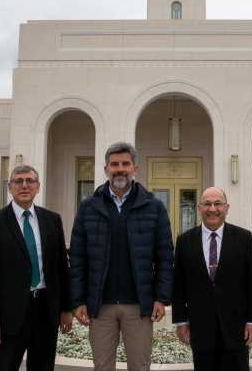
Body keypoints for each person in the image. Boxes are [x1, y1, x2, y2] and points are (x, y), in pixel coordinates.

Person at [69, 142, 174, 371]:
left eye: (125, 164)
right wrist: (77, 301)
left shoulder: (154, 207)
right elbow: (77, 258)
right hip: (101, 306)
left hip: (139, 306)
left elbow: (165, 257)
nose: (120, 169)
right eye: (114, 164)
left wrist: (161, 297)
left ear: (135, 168)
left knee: (140, 366)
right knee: (103, 367)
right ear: (106, 169)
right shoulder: (88, 207)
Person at [0, 165, 73, 371]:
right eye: (18, 181)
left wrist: (65, 308)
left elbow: (61, 267)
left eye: (30, 181)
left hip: (45, 311)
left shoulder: (52, 220)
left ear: (38, 187)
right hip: (9, 316)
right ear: (10, 187)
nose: (24, 185)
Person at [172, 187, 252, 371]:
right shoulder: (184, 241)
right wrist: (181, 321)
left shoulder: (243, 238)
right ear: (199, 208)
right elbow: (179, 286)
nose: (212, 209)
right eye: (207, 204)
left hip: (236, 328)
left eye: (217, 204)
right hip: (201, 327)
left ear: (226, 208)